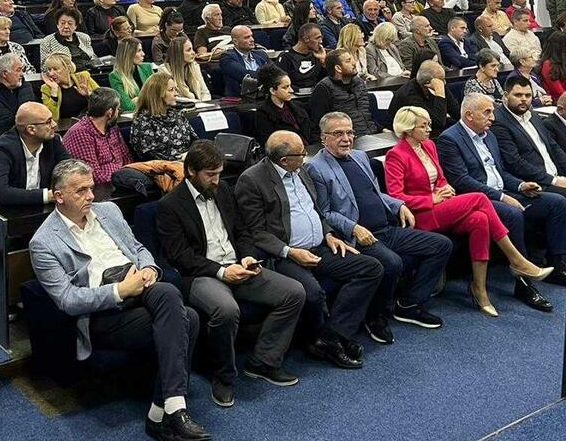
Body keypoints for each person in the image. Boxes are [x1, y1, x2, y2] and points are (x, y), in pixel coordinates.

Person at [30, 160, 210, 440]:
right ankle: (163, 411)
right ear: (59, 196)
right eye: (81, 191)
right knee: (190, 318)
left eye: (91, 188)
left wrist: (149, 269)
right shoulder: (43, 242)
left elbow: (138, 248)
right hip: (105, 313)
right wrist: (120, 291)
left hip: (141, 286)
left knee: (167, 291)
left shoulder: (109, 211)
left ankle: (170, 407)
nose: (91, 196)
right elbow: (68, 300)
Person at [156, 141, 306, 406]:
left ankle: (263, 361)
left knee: (294, 292)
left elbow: (242, 232)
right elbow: (182, 257)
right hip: (203, 274)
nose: (216, 180)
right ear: (191, 171)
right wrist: (222, 271)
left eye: (219, 173)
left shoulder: (223, 189)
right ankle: (223, 376)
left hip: (238, 264)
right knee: (226, 310)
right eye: (210, 174)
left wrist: (247, 255)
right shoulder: (170, 205)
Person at [385, 107, 554, 317]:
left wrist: (445, 188)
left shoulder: (428, 146)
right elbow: (395, 196)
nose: (429, 129)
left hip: (441, 205)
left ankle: (479, 289)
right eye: (424, 125)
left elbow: (440, 178)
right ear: (408, 129)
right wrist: (431, 198)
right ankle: (516, 259)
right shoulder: (396, 155)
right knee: (480, 198)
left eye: (429, 124)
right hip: (420, 214)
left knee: (480, 219)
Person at [235, 131, 383, 368]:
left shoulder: (300, 170)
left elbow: (315, 210)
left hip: (319, 247)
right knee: (312, 293)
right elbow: (256, 231)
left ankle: (331, 337)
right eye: (301, 154)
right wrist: (289, 251)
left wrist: (329, 234)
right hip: (285, 255)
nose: (305, 157)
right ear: (284, 160)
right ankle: (328, 343)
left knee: (370, 268)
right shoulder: (252, 180)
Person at [308, 112, 451, 338]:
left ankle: (409, 304)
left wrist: (399, 205)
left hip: (386, 228)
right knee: (392, 263)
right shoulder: (316, 167)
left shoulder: (360, 156)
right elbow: (324, 212)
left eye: (350, 132)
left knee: (441, 245)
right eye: (338, 133)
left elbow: (377, 193)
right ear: (324, 138)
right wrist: (354, 228)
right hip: (359, 235)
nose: (346, 138)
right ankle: (374, 317)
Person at [436, 94, 566, 311]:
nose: (493, 118)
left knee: (557, 202)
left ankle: (558, 265)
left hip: (504, 191)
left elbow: (501, 172)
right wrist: (502, 197)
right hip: (477, 200)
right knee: (512, 214)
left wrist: (520, 186)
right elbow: (461, 181)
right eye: (487, 112)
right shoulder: (450, 139)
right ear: (469, 115)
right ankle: (524, 283)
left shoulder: (489, 136)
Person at [0, 102, 68, 212]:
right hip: (1, 214)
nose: (54, 125)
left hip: (40, 210)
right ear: (31, 129)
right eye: (48, 122)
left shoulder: (53, 141)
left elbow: (70, 169)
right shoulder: (2, 149)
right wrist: (48, 195)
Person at [491, 76, 566, 197]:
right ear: (505, 95)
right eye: (518, 95)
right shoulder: (499, 122)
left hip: (557, 175)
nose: (524, 99)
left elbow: (553, 146)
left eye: (528, 95)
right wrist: (553, 180)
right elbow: (515, 163)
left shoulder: (533, 115)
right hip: (535, 183)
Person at [62, 88, 134, 185]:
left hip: (121, 180)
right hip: (98, 187)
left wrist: (125, 172)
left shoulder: (112, 127)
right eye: (118, 109)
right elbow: (93, 176)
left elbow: (127, 157)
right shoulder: (81, 133)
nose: (118, 112)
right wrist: (122, 172)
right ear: (110, 113)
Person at [129, 73, 197, 161]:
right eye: (171, 90)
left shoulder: (177, 115)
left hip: (188, 161)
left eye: (175, 89)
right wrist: (180, 160)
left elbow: (195, 141)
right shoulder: (142, 121)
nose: (176, 94)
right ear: (157, 94)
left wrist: (190, 154)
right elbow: (149, 155)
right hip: (163, 166)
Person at [309, 48, 377, 136]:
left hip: (371, 133)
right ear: (338, 68)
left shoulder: (359, 82)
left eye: (352, 59)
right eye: (348, 61)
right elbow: (318, 124)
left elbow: (366, 114)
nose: (354, 63)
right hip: (347, 137)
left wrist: (381, 129)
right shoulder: (323, 88)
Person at [252, 65, 316, 144]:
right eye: (285, 87)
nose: (291, 90)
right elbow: (271, 143)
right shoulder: (263, 114)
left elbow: (312, 131)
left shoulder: (298, 107)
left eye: (290, 86)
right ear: (273, 90)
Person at [393, 60, 458, 137]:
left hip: (433, 129)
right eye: (441, 80)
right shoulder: (409, 96)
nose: (444, 82)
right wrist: (440, 93)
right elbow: (437, 124)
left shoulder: (439, 85)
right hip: (415, 132)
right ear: (428, 83)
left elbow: (457, 113)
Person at [40, 52, 99, 128]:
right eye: (49, 70)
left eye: (55, 69)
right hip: (65, 129)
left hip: (91, 124)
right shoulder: (46, 88)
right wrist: (54, 92)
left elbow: (104, 101)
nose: (51, 74)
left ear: (68, 68)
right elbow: (51, 120)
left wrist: (89, 95)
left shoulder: (83, 77)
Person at [219, 26, 268, 98]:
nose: (252, 40)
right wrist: (268, 76)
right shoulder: (227, 58)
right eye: (246, 37)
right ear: (235, 41)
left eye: (251, 36)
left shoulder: (261, 54)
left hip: (264, 96)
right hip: (240, 100)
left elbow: (277, 73)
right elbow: (245, 75)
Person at [161, 35, 210, 102]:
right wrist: (195, 102)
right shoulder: (164, 71)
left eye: (192, 49)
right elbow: (173, 98)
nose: (193, 53)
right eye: (188, 50)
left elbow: (205, 92)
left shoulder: (195, 66)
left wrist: (204, 103)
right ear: (178, 53)